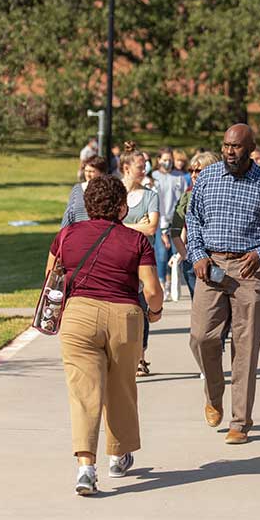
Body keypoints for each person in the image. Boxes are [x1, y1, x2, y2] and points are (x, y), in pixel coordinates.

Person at [46, 175, 163, 495]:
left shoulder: (67, 235)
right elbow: (152, 290)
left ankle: (86, 468)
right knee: (121, 387)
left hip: (78, 316)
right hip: (123, 317)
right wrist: (154, 312)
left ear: (87, 205)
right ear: (122, 208)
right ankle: (117, 454)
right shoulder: (136, 241)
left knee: (83, 392)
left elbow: (51, 277)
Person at [186, 124, 260, 445]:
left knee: (244, 350)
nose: (231, 151)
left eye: (237, 147)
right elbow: (193, 219)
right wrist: (197, 255)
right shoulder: (207, 177)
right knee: (201, 337)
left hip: (250, 271)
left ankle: (240, 422)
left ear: (251, 148)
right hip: (212, 268)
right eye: (226, 146)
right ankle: (214, 394)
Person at [120, 142, 160, 377]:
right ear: (126, 168)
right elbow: (107, 225)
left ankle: (140, 357)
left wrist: (122, 227)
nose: (144, 170)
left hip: (143, 260)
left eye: (145, 166)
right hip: (119, 260)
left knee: (142, 307)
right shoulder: (116, 193)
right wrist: (138, 226)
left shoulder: (150, 196)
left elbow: (152, 227)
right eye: (139, 166)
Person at [171, 152, 221, 298]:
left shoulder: (222, 197)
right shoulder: (187, 196)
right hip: (194, 263)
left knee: (221, 310)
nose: (193, 175)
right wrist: (186, 256)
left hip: (218, 261)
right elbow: (174, 231)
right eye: (191, 171)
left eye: (198, 171)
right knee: (200, 312)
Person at [151, 148, 189, 299]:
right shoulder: (154, 177)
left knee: (175, 254)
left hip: (176, 221)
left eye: (169, 159)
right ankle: (161, 283)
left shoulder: (179, 177)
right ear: (159, 159)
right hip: (159, 220)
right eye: (164, 159)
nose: (167, 162)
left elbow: (184, 200)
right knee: (161, 254)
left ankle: (170, 282)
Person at [62, 156, 109, 228]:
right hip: (77, 234)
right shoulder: (77, 189)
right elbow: (68, 214)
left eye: (91, 171)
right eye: (86, 171)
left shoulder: (108, 191)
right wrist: (63, 234)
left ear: (102, 173)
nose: (88, 174)